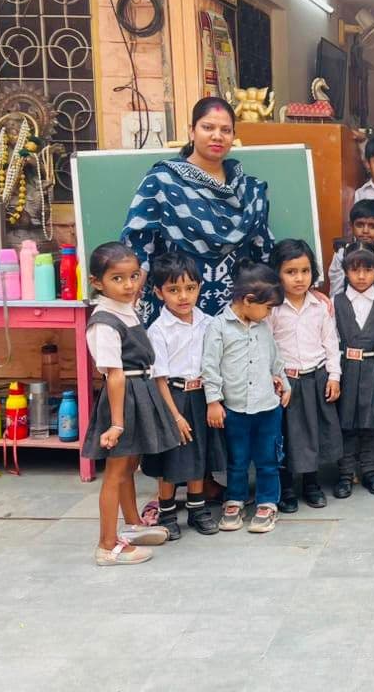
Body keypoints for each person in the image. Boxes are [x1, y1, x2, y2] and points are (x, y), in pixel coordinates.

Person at [121, 96, 273, 323]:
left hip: (236, 313)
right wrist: (126, 303)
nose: (217, 136)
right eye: (208, 127)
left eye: (226, 130)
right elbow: (139, 248)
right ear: (192, 131)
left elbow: (263, 251)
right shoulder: (162, 181)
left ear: (233, 135)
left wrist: (298, 293)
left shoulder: (249, 190)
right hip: (176, 315)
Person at [83, 243, 179, 566]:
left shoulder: (126, 307)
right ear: (97, 282)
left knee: (128, 467)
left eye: (134, 276)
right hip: (122, 398)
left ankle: (133, 524)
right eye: (117, 279)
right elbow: (114, 375)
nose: (128, 285)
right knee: (116, 471)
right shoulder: (104, 321)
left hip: (140, 392)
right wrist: (117, 423)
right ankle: (107, 545)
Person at [202, 262, 290, 535]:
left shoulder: (263, 327)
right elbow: (210, 366)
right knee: (237, 460)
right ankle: (235, 499)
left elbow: (275, 359)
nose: (269, 313)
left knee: (268, 459)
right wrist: (213, 401)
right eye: (267, 307)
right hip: (235, 409)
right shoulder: (218, 327)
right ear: (248, 300)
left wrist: (284, 383)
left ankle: (267, 502)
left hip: (268, 407)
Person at [147, 250, 222, 539]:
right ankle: (167, 513)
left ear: (199, 287)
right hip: (172, 397)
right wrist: (175, 416)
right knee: (171, 458)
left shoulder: (208, 322)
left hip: (201, 395)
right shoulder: (159, 330)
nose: (183, 296)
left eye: (190, 288)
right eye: (173, 290)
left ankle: (197, 510)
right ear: (159, 292)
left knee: (197, 454)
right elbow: (159, 379)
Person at [269, 239, 341, 513]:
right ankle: (286, 486)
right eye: (291, 272)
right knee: (286, 435)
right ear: (277, 273)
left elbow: (331, 343)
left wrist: (334, 376)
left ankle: (311, 483)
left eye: (305, 271)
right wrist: (275, 378)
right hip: (286, 382)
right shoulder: (272, 309)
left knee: (313, 433)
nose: (299, 278)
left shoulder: (320, 306)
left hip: (315, 378)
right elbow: (267, 347)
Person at [333, 242, 374, 499]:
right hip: (346, 368)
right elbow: (330, 340)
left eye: (368, 270)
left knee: (370, 422)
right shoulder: (337, 303)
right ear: (346, 272)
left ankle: (371, 471)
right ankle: (345, 473)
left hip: (373, 367)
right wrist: (333, 375)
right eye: (355, 270)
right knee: (346, 422)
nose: (361, 276)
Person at [328, 199, 374, 298]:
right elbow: (336, 293)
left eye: (372, 226)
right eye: (360, 225)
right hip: (347, 306)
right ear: (351, 226)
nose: (365, 231)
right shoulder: (342, 254)